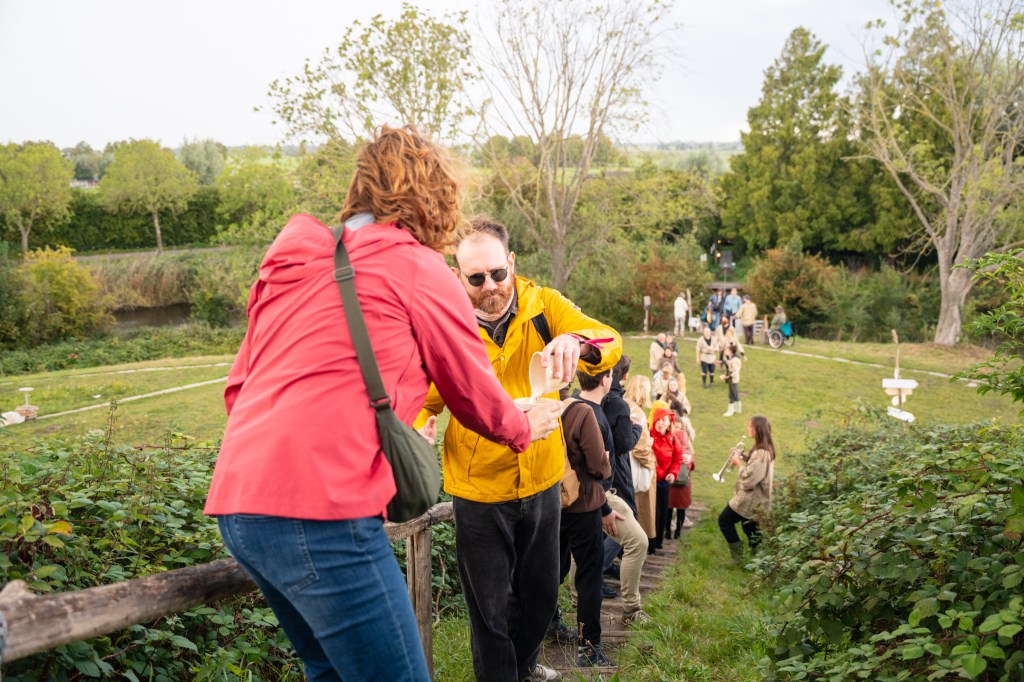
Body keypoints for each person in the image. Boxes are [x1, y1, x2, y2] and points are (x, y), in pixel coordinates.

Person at [205, 126, 564, 682]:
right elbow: (471, 389)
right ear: (435, 200)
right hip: (323, 507)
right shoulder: (418, 268)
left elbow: (239, 389)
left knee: (330, 672)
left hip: (239, 504)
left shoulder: (293, 261)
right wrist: (524, 426)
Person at [415, 215, 621, 682]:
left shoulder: (545, 306)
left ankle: (522, 666)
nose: (490, 286)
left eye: (497, 273)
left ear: (512, 261)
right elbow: (420, 399)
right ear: (457, 275)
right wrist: (415, 429)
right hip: (478, 489)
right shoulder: (445, 328)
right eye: (476, 278)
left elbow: (609, 339)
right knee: (489, 612)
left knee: (541, 596)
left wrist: (577, 343)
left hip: (543, 479)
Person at [557, 384, 613, 668]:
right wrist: (606, 464)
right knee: (589, 576)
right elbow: (597, 465)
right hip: (582, 506)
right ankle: (588, 647)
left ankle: (548, 626)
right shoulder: (581, 412)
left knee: (549, 572)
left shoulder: (532, 408)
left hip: (545, 507)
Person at [718, 415, 776, 563]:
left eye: (750, 426)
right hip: (756, 499)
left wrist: (738, 463)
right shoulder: (761, 450)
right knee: (751, 529)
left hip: (751, 498)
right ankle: (755, 560)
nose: (748, 428)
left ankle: (738, 557)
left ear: (757, 429)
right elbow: (755, 465)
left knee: (724, 520)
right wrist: (743, 456)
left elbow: (750, 479)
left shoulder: (762, 453)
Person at [623, 375, 657, 558]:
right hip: (636, 466)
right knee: (638, 512)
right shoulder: (637, 413)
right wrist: (651, 463)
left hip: (623, 465)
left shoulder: (623, 405)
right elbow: (640, 448)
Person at [650, 408, 682, 553]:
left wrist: (673, 474)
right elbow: (648, 459)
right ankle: (650, 544)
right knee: (652, 513)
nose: (660, 423)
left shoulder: (673, 439)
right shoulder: (648, 436)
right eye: (658, 419)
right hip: (650, 482)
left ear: (669, 423)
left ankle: (658, 542)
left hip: (664, 483)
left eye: (664, 420)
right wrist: (662, 473)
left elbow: (677, 459)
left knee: (663, 512)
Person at [667, 420, 695, 539]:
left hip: (671, 483)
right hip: (684, 485)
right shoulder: (689, 452)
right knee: (681, 510)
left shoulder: (669, 449)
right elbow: (692, 467)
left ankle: (667, 532)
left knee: (668, 509)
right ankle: (678, 531)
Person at [695, 324, 720, 388]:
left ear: (710, 332)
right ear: (703, 332)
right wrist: (697, 358)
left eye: (708, 332)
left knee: (712, 371)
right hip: (704, 357)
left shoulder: (714, 339)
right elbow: (698, 349)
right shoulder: (700, 339)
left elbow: (717, 348)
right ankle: (704, 383)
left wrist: (712, 349)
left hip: (712, 357)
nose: (707, 333)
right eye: (705, 332)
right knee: (704, 371)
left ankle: (711, 383)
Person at [721, 344, 743, 417]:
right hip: (733, 378)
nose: (726, 351)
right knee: (734, 394)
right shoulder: (733, 358)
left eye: (727, 350)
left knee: (732, 395)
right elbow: (729, 362)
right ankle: (737, 409)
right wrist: (721, 362)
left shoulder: (734, 360)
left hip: (733, 379)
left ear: (731, 351)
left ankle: (730, 411)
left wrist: (726, 377)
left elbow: (735, 372)